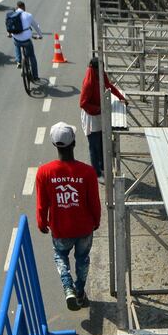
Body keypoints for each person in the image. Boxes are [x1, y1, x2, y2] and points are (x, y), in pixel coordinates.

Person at [35, 122, 100, 311]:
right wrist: (96, 221)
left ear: (55, 145)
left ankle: (68, 288)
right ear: (74, 143)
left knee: (60, 256)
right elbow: (94, 202)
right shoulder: (87, 172)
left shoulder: (44, 172)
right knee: (82, 258)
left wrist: (41, 221)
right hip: (84, 228)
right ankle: (80, 290)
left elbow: (42, 203)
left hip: (60, 229)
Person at [78, 57, 125, 178]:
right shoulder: (89, 83)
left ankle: (103, 167)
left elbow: (108, 85)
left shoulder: (101, 75)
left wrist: (120, 97)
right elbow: (83, 103)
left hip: (100, 115)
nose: (102, 72)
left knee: (102, 144)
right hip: (92, 119)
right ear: (94, 69)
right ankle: (96, 173)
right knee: (94, 147)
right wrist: (99, 109)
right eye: (100, 70)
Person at [7, 1, 44, 80]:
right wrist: (40, 35)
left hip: (16, 38)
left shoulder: (12, 14)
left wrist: (10, 34)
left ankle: (18, 61)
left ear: (17, 7)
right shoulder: (28, 15)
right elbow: (35, 26)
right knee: (32, 56)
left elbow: (8, 25)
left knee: (16, 43)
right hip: (26, 39)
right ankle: (35, 76)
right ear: (23, 7)